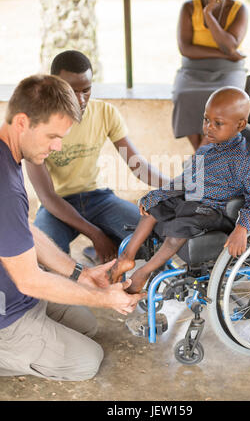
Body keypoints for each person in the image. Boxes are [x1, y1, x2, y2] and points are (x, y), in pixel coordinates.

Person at [0, 74, 144, 381]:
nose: (57, 146)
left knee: (87, 326)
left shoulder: (8, 155)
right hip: (6, 311)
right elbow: (30, 281)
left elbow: (23, 231)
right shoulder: (5, 188)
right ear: (22, 122)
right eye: (52, 136)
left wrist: (80, 274)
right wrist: (107, 298)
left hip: (15, 291)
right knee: (86, 361)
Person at [109, 87, 250, 294]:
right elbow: (187, 180)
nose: (208, 128)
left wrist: (242, 227)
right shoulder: (209, 148)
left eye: (218, 123)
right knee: (153, 206)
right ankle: (127, 257)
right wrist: (157, 195)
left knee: (180, 228)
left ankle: (144, 272)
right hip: (194, 199)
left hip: (216, 211)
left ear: (240, 125)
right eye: (206, 120)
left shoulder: (243, 160)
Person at [26, 50, 168, 264]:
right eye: (71, 91)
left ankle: (102, 249)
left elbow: (138, 166)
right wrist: (96, 235)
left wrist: (177, 186)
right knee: (45, 257)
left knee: (152, 238)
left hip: (99, 199)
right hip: (58, 205)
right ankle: (102, 243)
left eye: (86, 90)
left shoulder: (105, 113)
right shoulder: (35, 124)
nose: (80, 99)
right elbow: (47, 197)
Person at [172, 0, 248, 151]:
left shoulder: (239, 9)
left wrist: (209, 16)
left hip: (229, 71)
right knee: (183, 94)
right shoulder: (188, 8)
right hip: (193, 70)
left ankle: (200, 158)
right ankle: (205, 156)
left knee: (223, 102)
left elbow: (230, 46)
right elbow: (185, 49)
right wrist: (225, 54)